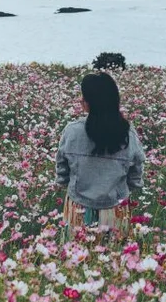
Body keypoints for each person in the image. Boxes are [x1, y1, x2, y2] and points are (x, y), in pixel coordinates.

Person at [56, 71, 145, 238]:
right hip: (116, 209)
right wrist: (123, 190)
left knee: (75, 258)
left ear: (92, 102)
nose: (80, 100)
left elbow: (62, 171)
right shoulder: (127, 133)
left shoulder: (72, 131)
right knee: (114, 259)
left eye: (84, 96)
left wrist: (71, 185)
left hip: (78, 208)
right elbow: (136, 174)